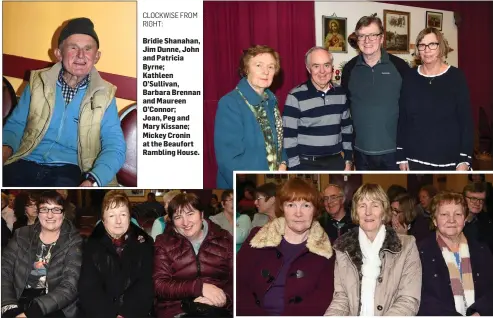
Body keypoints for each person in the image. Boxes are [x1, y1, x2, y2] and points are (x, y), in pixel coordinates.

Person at [2, 17, 126, 186]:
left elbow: (114, 145)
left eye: (88, 48)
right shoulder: (38, 82)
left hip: (72, 170)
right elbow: (16, 124)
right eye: (73, 47)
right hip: (25, 159)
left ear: (97, 56)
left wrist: (93, 180)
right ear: (59, 54)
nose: (81, 55)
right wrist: (5, 149)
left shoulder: (105, 94)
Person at [237, 178, 335, 316]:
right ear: (282, 208)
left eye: (306, 205)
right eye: (291, 205)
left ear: (315, 210)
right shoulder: (257, 237)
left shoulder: (327, 249)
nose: (298, 213)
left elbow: (322, 299)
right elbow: (239, 284)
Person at [325, 183, 421, 316]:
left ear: (384, 211)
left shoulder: (406, 246)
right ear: (355, 213)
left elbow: (408, 300)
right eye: (362, 206)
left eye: (375, 205)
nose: (368, 212)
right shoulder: (343, 248)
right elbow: (341, 299)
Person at [397, 27, 473, 171]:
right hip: (413, 159)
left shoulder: (456, 77)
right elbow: (403, 119)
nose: (427, 50)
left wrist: (464, 159)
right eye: (422, 45)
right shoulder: (409, 77)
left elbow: (466, 122)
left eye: (432, 44)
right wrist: (400, 154)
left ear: (441, 47)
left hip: (448, 160)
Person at [341, 15, 409, 170]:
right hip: (360, 152)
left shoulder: (400, 67)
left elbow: (409, 112)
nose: (367, 40)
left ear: (382, 38)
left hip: (394, 153)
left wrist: (404, 151)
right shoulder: (349, 69)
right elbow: (345, 112)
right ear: (357, 39)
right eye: (362, 36)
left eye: (372, 35)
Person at [214, 45, 287, 188]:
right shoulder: (230, 103)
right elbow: (229, 160)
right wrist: (254, 187)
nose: (265, 71)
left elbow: (278, 142)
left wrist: (283, 162)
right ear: (246, 69)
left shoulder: (271, 101)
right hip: (245, 187)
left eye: (271, 67)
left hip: (270, 182)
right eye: (259, 65)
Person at [1, 190, 83, 317]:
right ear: (38, 213)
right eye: (44, 209)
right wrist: (9, 307)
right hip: (18, 298)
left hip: (55, 304)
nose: (50, 215)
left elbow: (70, 285)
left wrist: (31, 313)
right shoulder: (21, 235)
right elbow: (3, 271)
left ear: (63, 213)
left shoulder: (73, 240)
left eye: (56, 209)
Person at [153, 193, 233, 318]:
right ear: (172, 221)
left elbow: (238, 279)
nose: (185, 222)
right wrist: (198, 288)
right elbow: (160, 285)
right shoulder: (163, 242)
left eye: (190, 214)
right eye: (178, 217)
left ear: (201, 215)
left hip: (217, 309)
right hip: (177, 309)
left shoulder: (224, 239)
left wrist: (224, 298)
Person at [78, 190, 154, 318]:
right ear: (103, 220)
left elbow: (145, 286)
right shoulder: (91, 245)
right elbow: (89, 289)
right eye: (112, 215)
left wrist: (125, 314)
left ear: (130, 217)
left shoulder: (145, 244)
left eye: (123, 214)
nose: (118, 221)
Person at [417, 191, 493, 315]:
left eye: (458, 214)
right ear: (435, 220)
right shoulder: (420, 252)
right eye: (444, 214)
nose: (451, 220)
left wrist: (479, 312)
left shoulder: (481, 249)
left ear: (465, 218)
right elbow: (422, 299)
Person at [283, 47, 353, 171]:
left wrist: (348, 160)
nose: (322, 71)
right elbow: (288, 136)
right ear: (308, 69)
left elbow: (347, 129)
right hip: (305, 164)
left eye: (326, 65)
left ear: (332, 67)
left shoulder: (341, 93)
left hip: (335, 162)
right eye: (316, 66)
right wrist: (295, 167)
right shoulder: (295, 96)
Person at [462, 182, 493, 254]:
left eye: (481, 200)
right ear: (463, 199)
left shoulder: (488, 221)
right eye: (473, 199)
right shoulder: (452, 219)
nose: (478, 203)